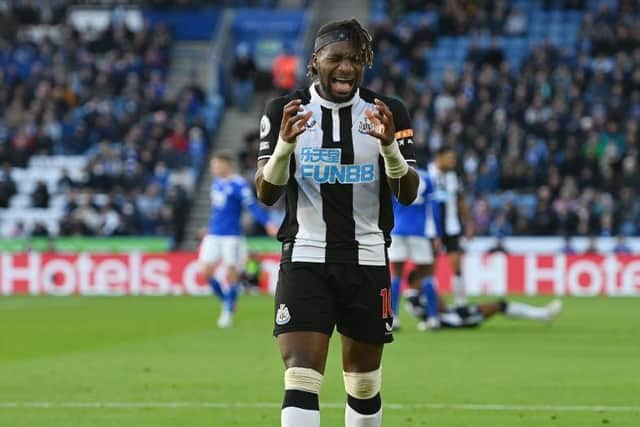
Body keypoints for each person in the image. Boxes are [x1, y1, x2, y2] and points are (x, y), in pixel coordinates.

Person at [254, 19, 419, 427]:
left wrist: (389, 151)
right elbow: (266, 192)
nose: (347, 67)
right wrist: (284, 147)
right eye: (337, 58)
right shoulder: (284, 112)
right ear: (315, 62)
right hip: (305, 257)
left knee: (363, 384)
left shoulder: (388, 111)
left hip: (367, 259)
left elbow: (408, 191)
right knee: (301, 376)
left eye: (356, 60)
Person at [198, 151, 278, 328]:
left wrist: (267, 223)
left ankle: (227, 312)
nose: (214, 168)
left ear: (227, 165)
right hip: (213, 234)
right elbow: (219, 211)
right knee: (205, 272)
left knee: (231, 273)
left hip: (232, 237)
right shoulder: (216, 183)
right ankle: (228, 300)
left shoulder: (239, 185)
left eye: (217, 165)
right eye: (213, 166)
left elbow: (252, 207)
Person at [407, 270, 563, 331]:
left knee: (499, 306)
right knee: (499, 305)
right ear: (415, 281)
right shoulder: (414, 298)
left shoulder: (413, 300)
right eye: (423, 279)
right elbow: (441, 307)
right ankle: (543, 314)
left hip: (456, 314)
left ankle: (543, 314)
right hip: (457, 319)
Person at [388, 167, 441, 330]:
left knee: (396, 275)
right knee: (426, 274)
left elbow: (387, 204)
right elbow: (434, 209)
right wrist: (437, 233)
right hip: (419, 231)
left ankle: (392, 317)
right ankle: (433, 318)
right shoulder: (426, 178)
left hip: (397, 230)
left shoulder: (393, 173)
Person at [426, 145, 474, 306]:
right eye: (450, 158)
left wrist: (468, 223)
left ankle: (461, 302)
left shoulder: (454, 176)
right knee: (429, 269)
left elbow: (460, 201)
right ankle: (433, 302)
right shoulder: (427, 174)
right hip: (431, 229)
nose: (453, 161)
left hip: (452, 227)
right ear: (439, 157)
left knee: (456, 265)